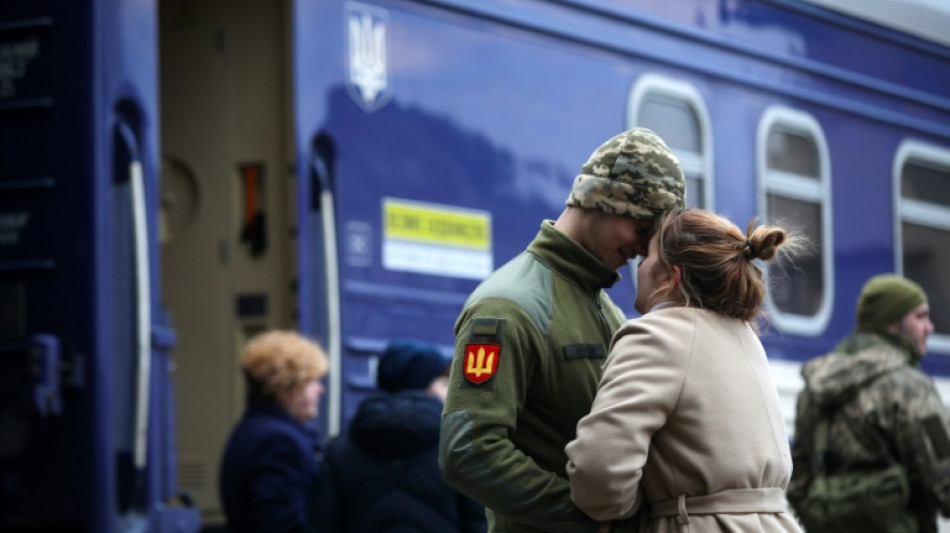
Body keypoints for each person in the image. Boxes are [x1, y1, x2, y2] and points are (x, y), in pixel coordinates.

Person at [439, 127, 686, 533]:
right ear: (604, 199)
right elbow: (468, 450)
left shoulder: (606, 309)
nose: (644, 249)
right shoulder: (505, 307)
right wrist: (584, 514)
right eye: (643, 229)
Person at [565, 207, 805, 532]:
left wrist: (638, 508)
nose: (640, 265)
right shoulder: (745, 337)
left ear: (671, 276)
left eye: (648, 256)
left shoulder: (657, 334)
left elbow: (599, 472)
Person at [787, 274, 950, 532]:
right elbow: (945, 482)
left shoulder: (814, 387)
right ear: (892, 323)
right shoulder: (909, 388)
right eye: (920, 317)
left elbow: (797, 484)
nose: (929, 327)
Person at [314, 339, 487, 533]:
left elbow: (324, 523)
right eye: (444, 384)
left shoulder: (342, 449)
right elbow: (479, 523)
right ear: (418, 384)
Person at [219, 330, 329, 533]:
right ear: (286, 386)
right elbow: (284, 524)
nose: (320, 389)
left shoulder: (251, 430)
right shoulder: (278, 442)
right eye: (312, 381)